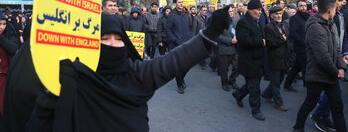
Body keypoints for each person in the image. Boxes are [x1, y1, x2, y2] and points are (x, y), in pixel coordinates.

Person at [4, 10, 230, 132]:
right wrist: (54, 96)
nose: (113, 44)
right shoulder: (74, 79)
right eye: (105, 39)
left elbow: (173, 61)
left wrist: (209, 33)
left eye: (118, 39)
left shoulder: (136, 74)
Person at [293, 0, 347, 132]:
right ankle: (298, 128)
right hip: (317, 75)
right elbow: (322, 56)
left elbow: (337, 48)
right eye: (335, 8)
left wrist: (341, 67)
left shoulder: (330, 23)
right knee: (309, 103)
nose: (337, 10)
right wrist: (337, 72)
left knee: (337, 107)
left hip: (331, 74)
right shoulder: (315, 27)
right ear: (330, 9)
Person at [310, 0, 348, 132]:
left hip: (338, 59)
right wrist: (336, 69)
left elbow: (343, 37)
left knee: (333, 95)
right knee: (331, 94)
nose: (343, 2)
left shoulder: (340, 16)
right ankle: (319, 115)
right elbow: (322, 51)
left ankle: (323, 115)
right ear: (330, 4)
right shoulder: (320, 21)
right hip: (329, 62)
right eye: (340, 0)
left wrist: (345, 54)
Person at [232, 0, 266, 121]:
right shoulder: (243, 22)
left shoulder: (256, 21)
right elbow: (244, 41)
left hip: (257, 59)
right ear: (250, 10)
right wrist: (261, 42)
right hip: (249, 61)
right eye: (258, 9)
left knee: (252, 84)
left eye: (261, 9)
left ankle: (238, 94)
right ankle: (255, 110)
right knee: (255, 87)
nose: (260, 12)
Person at [261, 7, 289, 112]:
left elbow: (287, 41)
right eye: (276, 14)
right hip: (274, 58)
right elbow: (271, 43)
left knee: (280, 79)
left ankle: (266, 93)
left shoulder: (284, 25)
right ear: (271, 15)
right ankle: (278, 103)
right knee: (276, 82)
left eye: (280, 13)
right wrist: (282, 39)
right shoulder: (268, 27)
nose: (278, 15)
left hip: (284, 57)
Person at [166, 0, 193, 94]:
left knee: (188, 64)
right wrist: (175, 39)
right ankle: (179, 85)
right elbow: (168, 29)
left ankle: (181, 78)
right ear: (175, 4)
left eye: (182, 2)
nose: (181, 4)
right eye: (179, 2)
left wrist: (190, 38)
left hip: (187, 44)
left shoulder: (187, 14)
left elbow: (190, 28)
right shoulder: (171, 15)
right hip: (176, 45)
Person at [284, 0, 309, 92]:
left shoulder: (307, 17)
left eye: (305, 5)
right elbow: (293, 33)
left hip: (306, 47)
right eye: (301, 6)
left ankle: (287, 84)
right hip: (300, 48)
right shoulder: (294, 18)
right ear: (297, 7)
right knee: (305, 69)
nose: (303, 7)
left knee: (296, 68)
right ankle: (309, 88)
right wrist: (303, 41)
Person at [0, 13, 20, 115]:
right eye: (0, 24)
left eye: (4, 24)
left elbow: (13, 48)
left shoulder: (9, 33)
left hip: (5, 75)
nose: (2, 27)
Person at [218, 6, 239, 91]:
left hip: (235, 48)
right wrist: (230, 40)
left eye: (232, 11)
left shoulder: (234, 21)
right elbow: (218, 36)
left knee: (237, 67)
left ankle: (232, 81)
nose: (231, 13)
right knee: (224, 69)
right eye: (229, 12)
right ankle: (224, 83)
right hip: (225, 49)